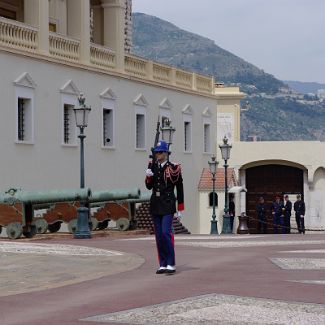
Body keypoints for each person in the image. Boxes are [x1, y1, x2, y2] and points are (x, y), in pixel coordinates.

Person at [145, 140, 184, 275]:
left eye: (160, 152)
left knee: (166, 233)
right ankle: (162, 263)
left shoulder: (173, 168)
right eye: (156, 152)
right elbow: (149, 186)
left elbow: (179, 188)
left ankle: (170, 263)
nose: (158, 155)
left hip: (167, 203)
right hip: (155, 203)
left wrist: (180, 207)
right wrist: (148, 177)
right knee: (159, 235)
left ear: (166, 153)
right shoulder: (153, 166)